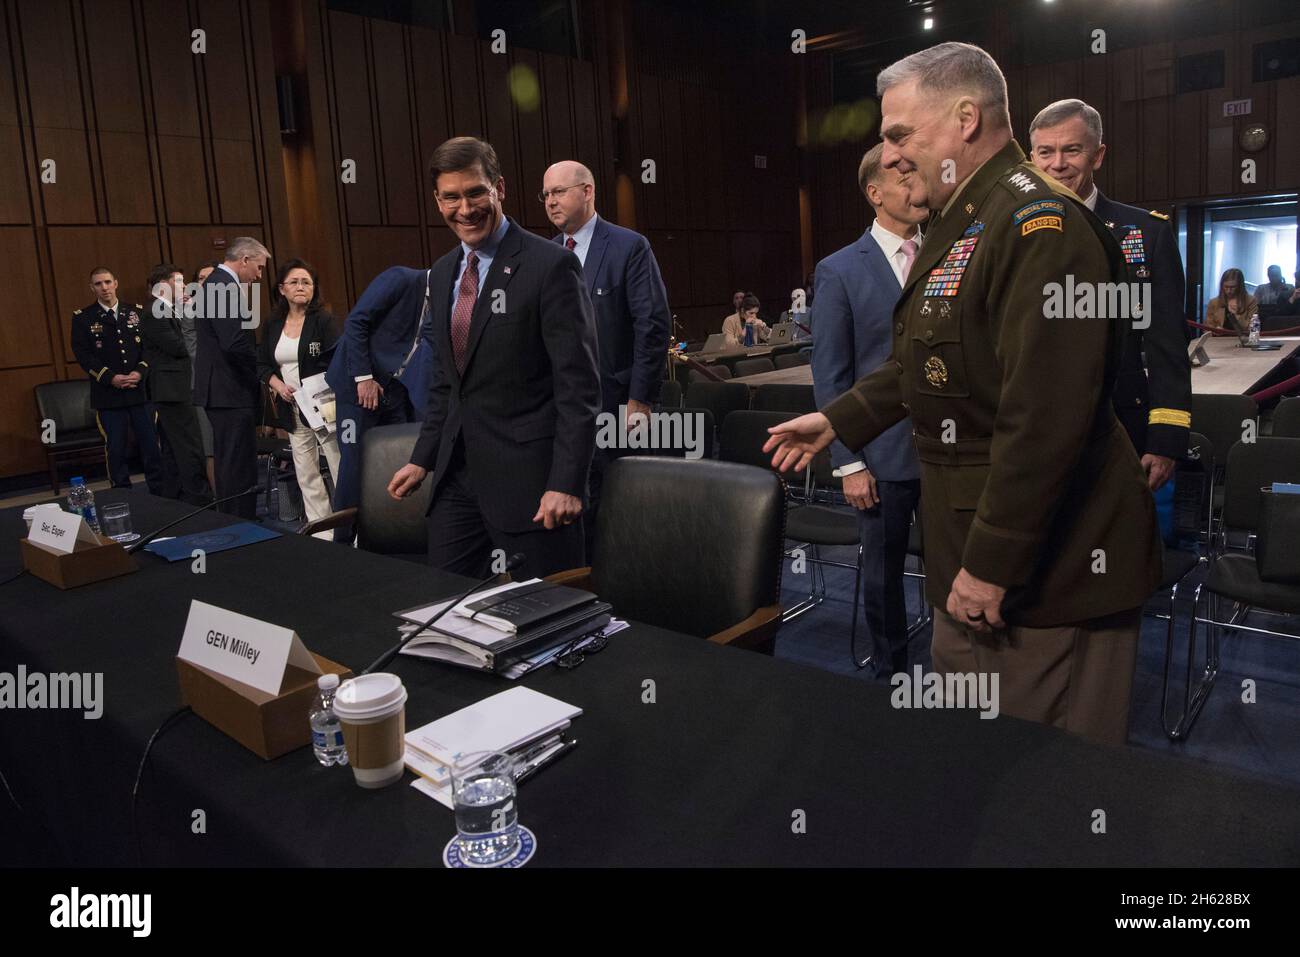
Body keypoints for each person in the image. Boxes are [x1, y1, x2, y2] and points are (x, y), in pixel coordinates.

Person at [764, 42, 1161, 747]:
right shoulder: (967, 223)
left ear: (966, 118)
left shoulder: (1041, 229)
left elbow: (1045, 422)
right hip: (971, 557)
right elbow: (936, 360)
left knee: (1047, 787)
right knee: (977, 768)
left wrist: (991, 564)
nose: (888, 155)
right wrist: (840, 419)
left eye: (898, 134)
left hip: (1044, 574)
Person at [387, 137, 600, 581]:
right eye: (451, 197)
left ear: (499, 188)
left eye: (475, 192)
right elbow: (449, 381)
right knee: (446, 616)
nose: (464, 209)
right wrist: (422, 457)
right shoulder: (443, 271)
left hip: (533, 487)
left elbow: (577, 387)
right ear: (437, 201)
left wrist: (566, 482)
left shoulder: (550, 266)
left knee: (548, 620)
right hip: (457, 483)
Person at [1029, 98, 1191, 491]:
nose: (1058, 164)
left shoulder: (1146, 234)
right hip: (1032, 428)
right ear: (1031, 157)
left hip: (1120, 426)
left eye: (1072, 150)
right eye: (1046, 152)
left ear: (1097, 155)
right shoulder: (1009, 234)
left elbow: (1166, 343)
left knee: (1118, 546)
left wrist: (1165, 439)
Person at [811, 143, 927, 679]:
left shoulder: (947, 254)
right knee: (882, 576)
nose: (915, 184)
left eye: (916, 173)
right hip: (880, 457)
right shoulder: (838, 270)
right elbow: (832, 376)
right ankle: (891, 675)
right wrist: (848, 462)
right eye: (901, 177)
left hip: (951, 450)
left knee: (957, 571)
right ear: (875, 193)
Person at [542, 159, 672, 554]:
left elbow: (651, 323)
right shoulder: (544, 255)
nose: (550, 202)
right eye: (545, 194)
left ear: (587, 191)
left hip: (617, 403)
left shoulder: (628, 246)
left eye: (558, 192)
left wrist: (641, 398)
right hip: (561, 410)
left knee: (618, 506)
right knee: (574, 502)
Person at [324, 265, 435, 543]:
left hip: (394, 388)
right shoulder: (402, 278)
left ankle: (391, 534)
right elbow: (356, 322)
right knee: (355, 462)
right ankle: (343, 541)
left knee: (398, 458)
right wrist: (364, 378)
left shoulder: (442, 302)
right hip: (357, 383)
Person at [258, 259, 342, 538]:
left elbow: (339, 359)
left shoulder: (324, 320)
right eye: (294, 282)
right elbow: (262, 364)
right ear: (281, 289)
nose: (301, 287)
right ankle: (322, 528)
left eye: (306, 282)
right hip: (290, 406)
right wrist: (277, 385)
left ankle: (348, 526)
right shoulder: (273, 324)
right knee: (305, 470)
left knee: (338, 465)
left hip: (324, 406)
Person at [193, 237, 269, 519]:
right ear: (245, 260)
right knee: (237, 461)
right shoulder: (223, 286)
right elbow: (234, 342)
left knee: (229, 459)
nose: (259, 275)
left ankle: (233, 517)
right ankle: (241, 519)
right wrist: (260, 365)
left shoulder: (216, 284)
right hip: (229, 387)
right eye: (258, 268)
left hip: (223, 388)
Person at [69, 267, 164, 493]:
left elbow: (149, 347)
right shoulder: (83, 318)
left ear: (116, 283)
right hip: (108, 395)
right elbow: (83, 355)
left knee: (151, 445)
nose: (104, 288)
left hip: (140, 391)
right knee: (116, 449)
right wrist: (111, 378)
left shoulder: (137, 312)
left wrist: (140, 372)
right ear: (92, 288)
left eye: (108, 282)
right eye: (99, 284)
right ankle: (122, 492)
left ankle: (160, 492)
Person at [141, 263, 212, 505]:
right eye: (179, 281)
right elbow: (181, 347)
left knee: (173, 450)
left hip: (176, 387)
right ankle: (201, 502)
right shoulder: (155, 311)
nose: (185, 287)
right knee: (189, 448)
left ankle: (173, 500)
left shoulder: (168, 310)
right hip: (173, 390)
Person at [1204, 268, 1256, 332]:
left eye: (1233, 287)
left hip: (1242, 339)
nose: (1229, 291)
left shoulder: (1251, 301)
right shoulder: (1213, 302)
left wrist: (1236, 315)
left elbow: (1252, 328)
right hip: (1218, 339)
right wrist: (1215, 331)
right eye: (1226, 287)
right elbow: (1207, 328)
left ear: (1240, 286)